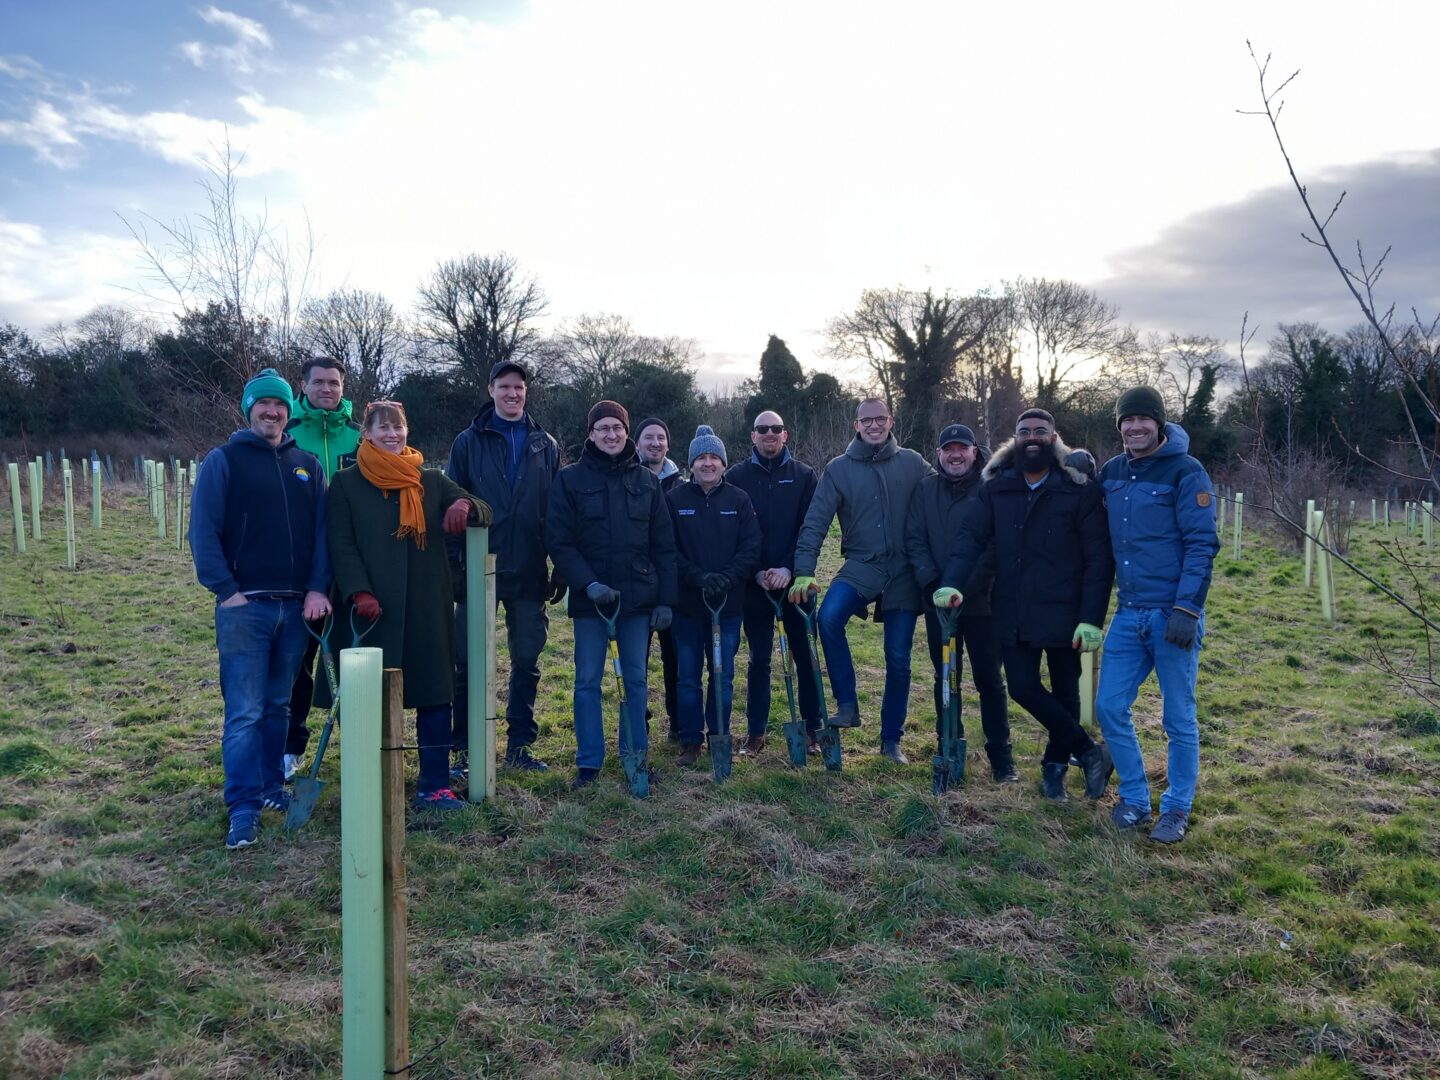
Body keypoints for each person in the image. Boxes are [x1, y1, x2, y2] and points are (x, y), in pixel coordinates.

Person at [935, 408, 1115, 801]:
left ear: (1054, 437)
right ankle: (1089, 751)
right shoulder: (998, 487)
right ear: (1014, 439)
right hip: (1013, 608)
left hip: (1066, 609)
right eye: (1024, 431)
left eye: (1040, 430)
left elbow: (1099, 558)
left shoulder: (1077, 488)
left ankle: (1054, 771)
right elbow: (970, 539)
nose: (1032, 437)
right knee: (1021, 686)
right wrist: (951, 583)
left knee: (1067, 691)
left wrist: (1090, 618)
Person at [189, 368, 332, 850]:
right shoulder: (224, 461)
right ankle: (243, 806)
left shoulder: (307, 466)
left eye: (279, 406)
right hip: (244, 609)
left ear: (289, 411)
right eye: (263, 405)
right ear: (249, 409)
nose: (271, 412)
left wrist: (316, 588)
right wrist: (226, 589)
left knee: (278, 705)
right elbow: (203, 530)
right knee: (245, 711)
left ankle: (273, 787)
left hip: (295, 610)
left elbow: (321, 537)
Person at [325, 400, 491, 812]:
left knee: (436, 694)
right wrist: (358, 591)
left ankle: (433, 785)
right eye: (382, 428)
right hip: (369, 611)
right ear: (365, 433)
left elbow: (486, 510)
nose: (391, 434)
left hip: (425, 610)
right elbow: (340, 544)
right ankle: (370, 779)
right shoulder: (346, 483)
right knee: (369, 698)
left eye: (397, 427)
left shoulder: (430, 480)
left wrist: (463, 505)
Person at [1096, 387, 1220, 844]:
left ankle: (1176, 808)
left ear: (1160, 423)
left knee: (1178, 717)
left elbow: (1202, 543)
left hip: (1173, 615)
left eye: (1144, 420)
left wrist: (1188, 609)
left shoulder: (1187, 472)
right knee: (1108, 706)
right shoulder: (1113, 472)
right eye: (1127, 421)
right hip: (1129, 615)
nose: (1135, 428)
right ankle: (1134, 798)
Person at [545, 401, 678, 790]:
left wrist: (666, 599)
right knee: (587, 681)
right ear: (591, 434)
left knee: (635, 680)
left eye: (617, 428)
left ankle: (635, 755)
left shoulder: (646, 482)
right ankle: (589, 762)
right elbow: (559, 539)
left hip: (636, 601)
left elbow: (664, 545)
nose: (611, 434)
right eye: (602, 428)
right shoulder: (570, 480)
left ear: (627, 432)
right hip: (592, 602)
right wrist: (587, 584)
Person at [790, 398, 931, 763]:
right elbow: (815, 523)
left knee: (898, 658)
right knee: (828, 617)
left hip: (902, 572)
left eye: (879, 419)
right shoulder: (839, 469)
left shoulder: (913, 463)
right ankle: (848, 704)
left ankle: (891, 740)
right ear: (856, 425)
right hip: (861, 565)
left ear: (890, 421)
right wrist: (804, 571)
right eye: (866, 420)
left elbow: (947, 488)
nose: (873, 425)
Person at [445, 360, 561, 776]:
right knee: (467, 659)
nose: (513, 394)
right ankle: (464, 746)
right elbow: (449, 503)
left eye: (519, 387)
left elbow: (556, 511)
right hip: (478, 568)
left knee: (527, 659)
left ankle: (520, 745)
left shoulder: (544, 444)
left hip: (529, 568)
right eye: (504, 387)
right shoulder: (467, 442)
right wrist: (455, 567)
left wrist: (558, 566)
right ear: (490, 389)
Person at [905, 423, 1015, 782]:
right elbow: (914, 538)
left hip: (982, 603)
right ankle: (948, 744)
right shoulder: (924, 490)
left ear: (973, 452)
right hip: (938, 604)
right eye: (948, 449)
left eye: (961, 449)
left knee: (989, 680)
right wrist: (934, 584)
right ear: (938, 454)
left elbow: (996, 545)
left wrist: (964, 588)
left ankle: (1002, 759)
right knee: (945, 678)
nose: (955, 455)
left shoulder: (990, 488)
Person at [282, 356, 362, 781]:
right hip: (303, 564)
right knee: (299, 660)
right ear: (304, 386)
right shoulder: (289, 434)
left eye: (335, 383)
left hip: (350, 563)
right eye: (319, 383)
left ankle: (358, 740)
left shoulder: (358, 437)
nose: (328, 389)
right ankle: (290, 746)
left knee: (354, 656)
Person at [727, 409, 821, 756]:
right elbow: (736, 531)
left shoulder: (804, 476)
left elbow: (809, 528)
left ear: (786, 434)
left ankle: (813, 730)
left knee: (806, 655)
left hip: (796, 583)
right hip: (756, 585)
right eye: (762, 429)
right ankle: (755, 733)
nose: (769, 434)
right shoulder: (737, 476)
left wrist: (789, 569)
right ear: (752, 435)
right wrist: (757, 571)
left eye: (776, 428)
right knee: (760, 659)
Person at [667, 426, 763, 766]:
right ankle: (690, 741)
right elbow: (668, 549)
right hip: (689, 606)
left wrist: (726, 578)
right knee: (688, 676)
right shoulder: (676, 500)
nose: (708, 464)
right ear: (691, 464)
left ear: (723, 463)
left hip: (728, 606)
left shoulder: (738, 500)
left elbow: (751, 546)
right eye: (701, 458)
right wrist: (698, 577)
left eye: (714, 458)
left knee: (722, 676)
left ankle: (719, 735)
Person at [635, 416, 684, 741]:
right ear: (637, 443)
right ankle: (639, 721)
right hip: (635, 582)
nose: (655, 443)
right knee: (636, 660)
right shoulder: (627, 478)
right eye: (649, 437)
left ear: (668, 443)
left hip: (671, 582)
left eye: (661, 437)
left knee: (675, 658)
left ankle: (678, 723)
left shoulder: (681, 485)